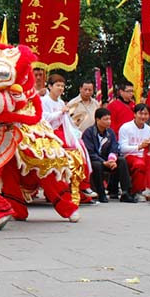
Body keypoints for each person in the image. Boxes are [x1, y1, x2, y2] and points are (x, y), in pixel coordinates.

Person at [41, 74, 95, 204]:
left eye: (62, 86)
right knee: (70, 151)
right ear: (49, 86)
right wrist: (60, 112)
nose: (60, 88)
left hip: (61, 131)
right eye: (57, 85)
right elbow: (44, 118)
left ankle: (83, 185)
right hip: (48, 132)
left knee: (80, 146)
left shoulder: (60, 102)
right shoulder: (44, 101)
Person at [81, 108, 135, 203]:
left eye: (109, 119)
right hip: (95, 160)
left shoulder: (110, 132)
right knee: (97, 165)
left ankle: (126, 192)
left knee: (122, 161)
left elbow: (115, 147)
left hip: (108, 159)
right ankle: (101, 193)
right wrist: (103, 162)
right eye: (105, 119)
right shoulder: (88, 133)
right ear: (97, 120)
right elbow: (89, 152)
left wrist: (112, 159)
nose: (108, 122)